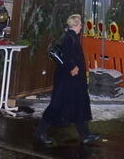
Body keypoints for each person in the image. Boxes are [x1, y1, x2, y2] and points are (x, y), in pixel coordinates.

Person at [35, 14, 97, 146]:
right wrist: (72, 67)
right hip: (68, 79)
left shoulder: (71, 36)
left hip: (72, 79)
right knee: (57, 105)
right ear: (75, 25)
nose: (81, 27)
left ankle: (85, 135)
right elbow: (67, 56)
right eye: (80, 25)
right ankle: (40, 132)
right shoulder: (70, 38)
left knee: (78, 104)